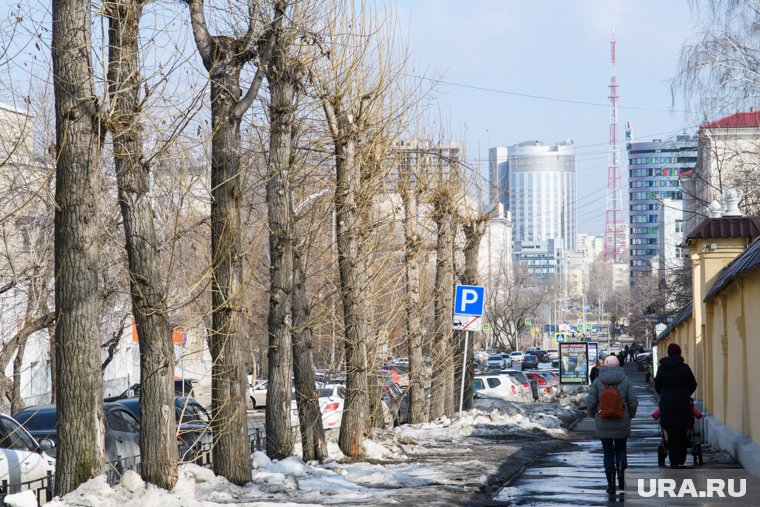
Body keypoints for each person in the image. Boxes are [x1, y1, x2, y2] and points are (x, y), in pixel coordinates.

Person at [587, 355, 639, 495]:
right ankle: (622, 480)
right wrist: (631, 415)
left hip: (603, 421)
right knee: (621, 450)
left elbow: (591, 402)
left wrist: (593, 414)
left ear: (604, 366)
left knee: (608, 453)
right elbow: (633, 401)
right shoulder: (625, 381)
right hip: (622, 420)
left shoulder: (598, 381)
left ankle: (611, 484)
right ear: (618, 366)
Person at [655, 343, 697, 468]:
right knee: (683, 430)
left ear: (668, 353)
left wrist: (664, 394)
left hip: (667, 404)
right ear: (679, 353)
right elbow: (693, 383)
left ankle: (673, 460)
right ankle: (681, 458)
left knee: (671, 430)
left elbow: (657, 386)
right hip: (683, 403)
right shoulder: (685, 368)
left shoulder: (662, 368)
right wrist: (685, 393)